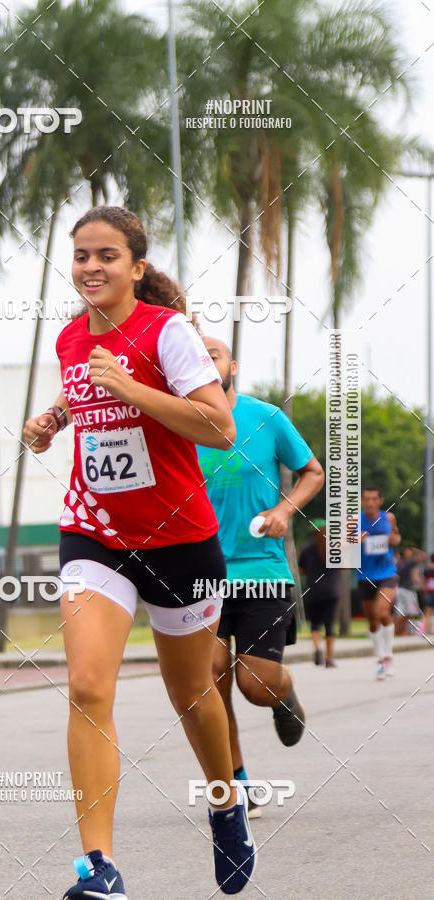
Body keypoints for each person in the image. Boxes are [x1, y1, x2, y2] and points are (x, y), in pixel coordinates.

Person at [24, 207, 255, 898]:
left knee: (191, 694)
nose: (91, 267)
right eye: (81, 256)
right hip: (93, 532)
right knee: (89, 687)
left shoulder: (168, 332)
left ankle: (224, 802)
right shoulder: (69, 338)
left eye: (106, 256)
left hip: (179, 539)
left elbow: (219, 427)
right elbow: (83, 393)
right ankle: (101, 869)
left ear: (136, 267)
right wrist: (51, 421)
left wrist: (133, 388)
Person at [196, 337, 324, 819]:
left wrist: (284, 509)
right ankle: (237, 783)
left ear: (232, 365)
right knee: (209, 681)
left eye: (214, 354)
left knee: (255, 685)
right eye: (198, 355)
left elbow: (312, 472)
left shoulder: (267, 418)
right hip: (199, 573)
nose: (206, 362)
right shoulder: (180, 423)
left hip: (262, 573)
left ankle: (282, 689)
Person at [358, 486, 401, 679]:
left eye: (374, 499)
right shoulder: (355, 520)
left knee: (382, 611)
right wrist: (353, 540)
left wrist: (393, 539)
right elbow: (339, 544)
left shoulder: (388, 518)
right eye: (366, 499)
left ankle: (388, 656)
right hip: (364, 575)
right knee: (372, 621)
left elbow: (397, 537)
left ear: (380, 501)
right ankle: (379, 658)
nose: (370, 502)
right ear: (361, 501)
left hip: (387, 572)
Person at [298, 521, 340, 667]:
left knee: (315, 624)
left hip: (312, 591)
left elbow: (301, 570)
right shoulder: (334, 548)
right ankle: (329, 658)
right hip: (330, 591)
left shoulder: (306, 549)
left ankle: (317, 648)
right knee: (329, 625)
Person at [394, 548, 422, 635]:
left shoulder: (398, 563)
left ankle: (402, 631)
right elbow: (423, 556)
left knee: (402, 612)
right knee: (408, 612)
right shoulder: (408, 562)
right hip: (407, 590)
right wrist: (416, 550)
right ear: (405, 553)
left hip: (399, 589)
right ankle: (399, 631)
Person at [420, 552, 434, 635]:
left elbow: (424, 582)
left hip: (429, 592)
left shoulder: (427, 570)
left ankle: (424, 630)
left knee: (427, 613)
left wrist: (424, 592)